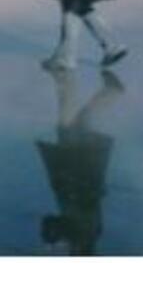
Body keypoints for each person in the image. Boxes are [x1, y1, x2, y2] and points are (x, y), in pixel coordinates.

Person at [37, 69, 124, 255]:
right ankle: (67, 80)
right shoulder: (82, 236)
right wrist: (50, 238)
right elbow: (52, 222)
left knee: (74, 123)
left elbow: (58, 221)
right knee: (68, 125)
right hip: (76, 166)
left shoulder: (91, 234)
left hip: (79, 168)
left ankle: (108, 91)